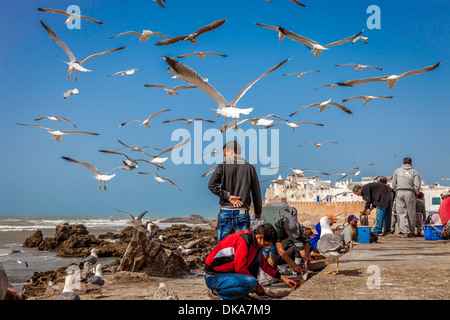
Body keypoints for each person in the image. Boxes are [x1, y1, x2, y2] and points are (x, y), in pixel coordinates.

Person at [204, 223, 298, 300]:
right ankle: (217, 292)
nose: (265, 247)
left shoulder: (255, 244)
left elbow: (264, 265)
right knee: (252, 282)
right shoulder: (244, 240)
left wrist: (283, 279)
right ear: (260, 237)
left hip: (229, 274)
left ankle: (242, 293)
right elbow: (240, 268)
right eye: (265, 244)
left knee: (257, 260)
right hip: (214, 276)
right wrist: (256, 285)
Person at [208, 141, 262, 242]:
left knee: (223, 247)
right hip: (242, 211)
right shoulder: (250, 168)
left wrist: (227, 196)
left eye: (225, 154)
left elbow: (211, 185)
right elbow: (256, 194)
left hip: (226, 211)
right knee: (242, 245)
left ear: (231, 151)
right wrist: (258, 215)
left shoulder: (222, 166)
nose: (225, 158)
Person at [259, 205, 311, 277]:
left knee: (275, 251)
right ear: (285, 229)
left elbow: (305, 241)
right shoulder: (277, 228)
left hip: (276, 214)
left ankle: (271, 273)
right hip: (260, 216)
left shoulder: (296, 224)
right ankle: (263, 276)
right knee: (268, 248)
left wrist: (306, 256)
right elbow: (281, 251)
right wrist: (295, 266)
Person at [392, 157, 421, 237]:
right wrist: (416, 193)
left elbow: (394, 184)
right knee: (411, 213)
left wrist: (396, 192)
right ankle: (411, 231)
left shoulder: (397, 171)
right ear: (411, 163)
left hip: (399, 192)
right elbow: (417, 185)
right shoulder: (414, 172)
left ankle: (405, 232)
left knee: (401, 213)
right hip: (410, 192)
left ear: (403, 163)